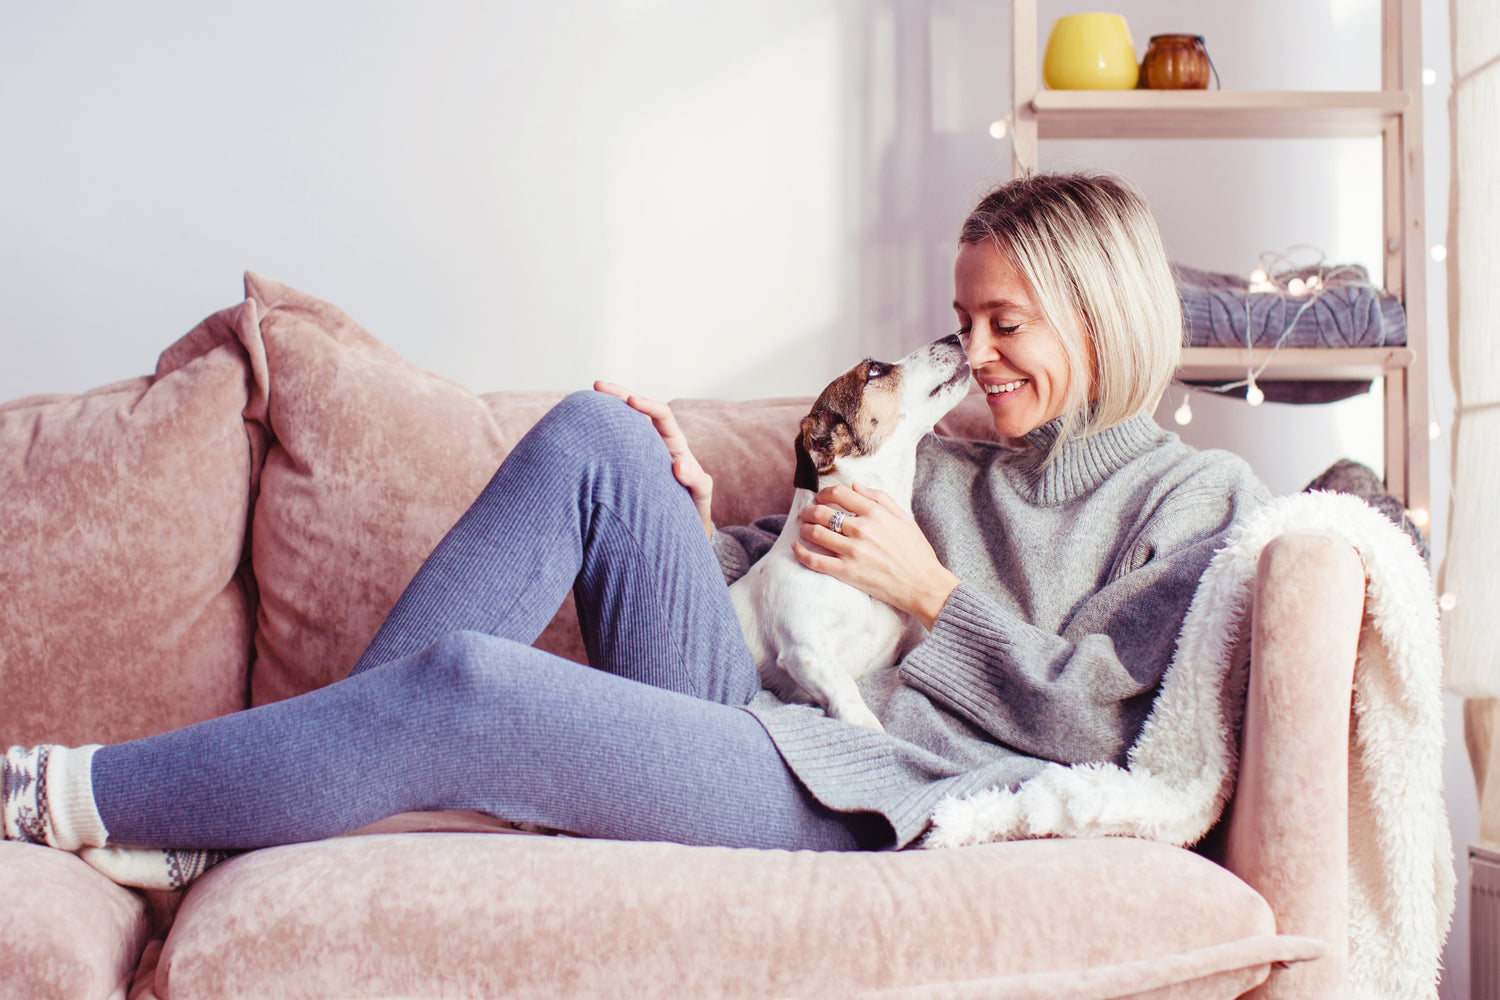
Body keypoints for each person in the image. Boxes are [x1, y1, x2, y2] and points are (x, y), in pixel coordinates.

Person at [2, 171, 1269, 888]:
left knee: (468, 687)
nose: (976, 355)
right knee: (600, 438)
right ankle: (265, 801)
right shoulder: (940, 455)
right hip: (761, 717)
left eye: (1010, 325)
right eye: (965, 319)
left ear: (1101, 317)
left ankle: (64, 792)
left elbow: (1116, 736)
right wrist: (698, 519)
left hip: (879, 795)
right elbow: (788, 587)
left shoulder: (1190, 502)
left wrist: (938, 600)